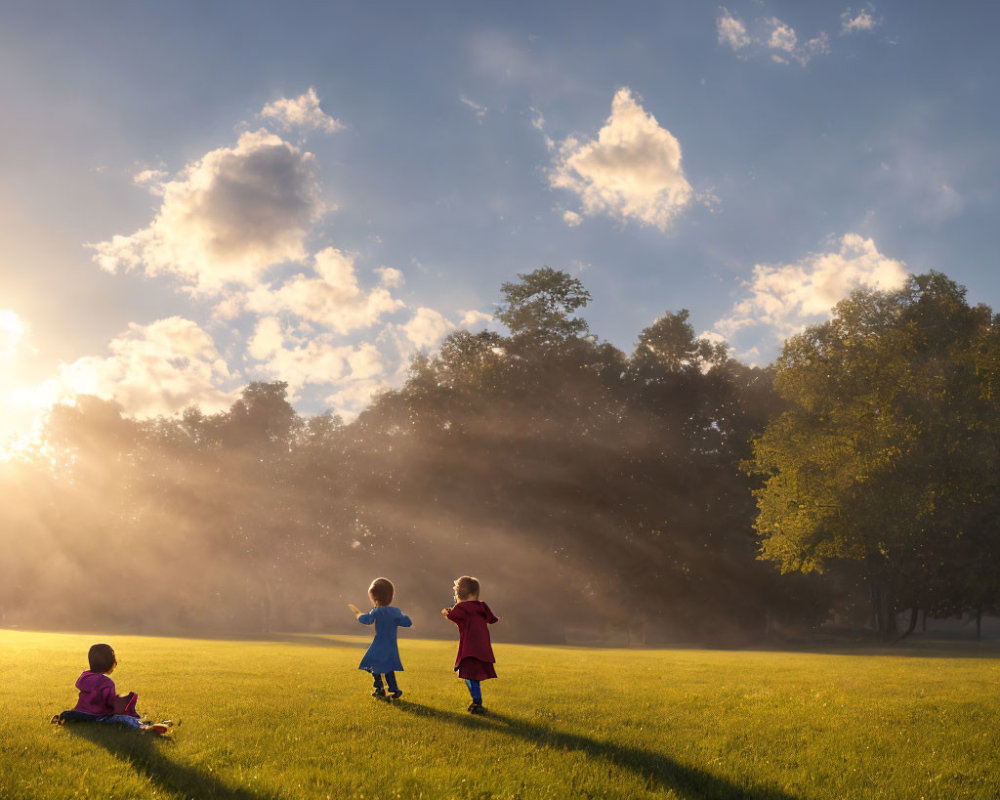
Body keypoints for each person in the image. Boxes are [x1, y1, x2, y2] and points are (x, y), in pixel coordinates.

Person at [52, 643, 170, 734]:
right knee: (123, 718)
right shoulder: (106, 682)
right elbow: (110, 706)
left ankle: (62, 719)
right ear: (109, 663)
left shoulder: (84, 676)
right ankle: (146, 728)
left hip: (78, 713)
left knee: (67, 714)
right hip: (97, 717)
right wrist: (122, 702)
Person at [441, 575, 498, 714]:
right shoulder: (482, 606)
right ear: (476, 592)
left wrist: (447, 613)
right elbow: (492, 619)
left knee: (469, 675)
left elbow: (453, 616)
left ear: (459, 593)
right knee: (472, 675)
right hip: (483, 648)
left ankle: (477, 702)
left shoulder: (461, 607)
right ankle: (476, 701)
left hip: (469, 648)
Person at [349, 577, 412, 699]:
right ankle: (394, 689)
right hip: (391, 646)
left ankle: (380, 689)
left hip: (379, 645)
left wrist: (359, 615)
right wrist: (402, 617)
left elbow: (367, 620)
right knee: (388, 668)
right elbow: (407, 622)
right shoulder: (395, 611)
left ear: (374, 598)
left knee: (372, 665)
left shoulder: (376, 611)